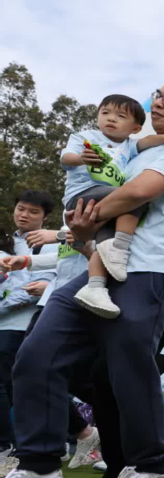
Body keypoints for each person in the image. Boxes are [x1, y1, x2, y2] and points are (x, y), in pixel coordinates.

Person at [1, 74, 164, 478]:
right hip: (99, 267)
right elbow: (88, 220)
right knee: (37, 353)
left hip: (152, 271)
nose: (158, 103)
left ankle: (151, 469)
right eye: (157, 95)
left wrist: (83, 218)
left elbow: (137, 193)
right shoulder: (129, 152)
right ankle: (38, 470)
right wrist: (77, 231)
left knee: (128, 367)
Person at [61, 94, 164, 318]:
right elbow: (66, 158)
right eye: (105, 113)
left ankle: (95, 288)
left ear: (135, 128)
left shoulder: (129, 146)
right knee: (133, 197)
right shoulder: (85, 137)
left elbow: (147, 141)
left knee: (105, 242)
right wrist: (81, 158)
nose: (111, 119)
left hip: (110, 203)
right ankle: (121, 248)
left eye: (121, 116)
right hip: (82, 195)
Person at [0, 191, 58, 460]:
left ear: (45, 217)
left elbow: (45, 283)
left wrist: (46, 286)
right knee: (19, 385)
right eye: (21, 209)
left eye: (33, 212)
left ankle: (13, 446)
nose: (24, 215)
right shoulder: (7, 241)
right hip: (5, 323)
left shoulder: (51, 244)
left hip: (27, 324)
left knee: (21, 385)